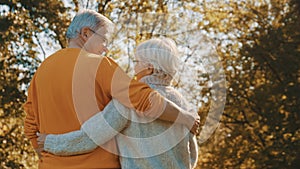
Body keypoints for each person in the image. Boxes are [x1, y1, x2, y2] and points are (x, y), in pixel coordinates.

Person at [23, 9, 199, 169]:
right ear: (85, 34)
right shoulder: (99, 65)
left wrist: (46, 153)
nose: (106, 48)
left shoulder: (41, 71)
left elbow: (31, 127)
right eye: (104, 39)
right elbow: (144, 99)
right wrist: (186, 117)